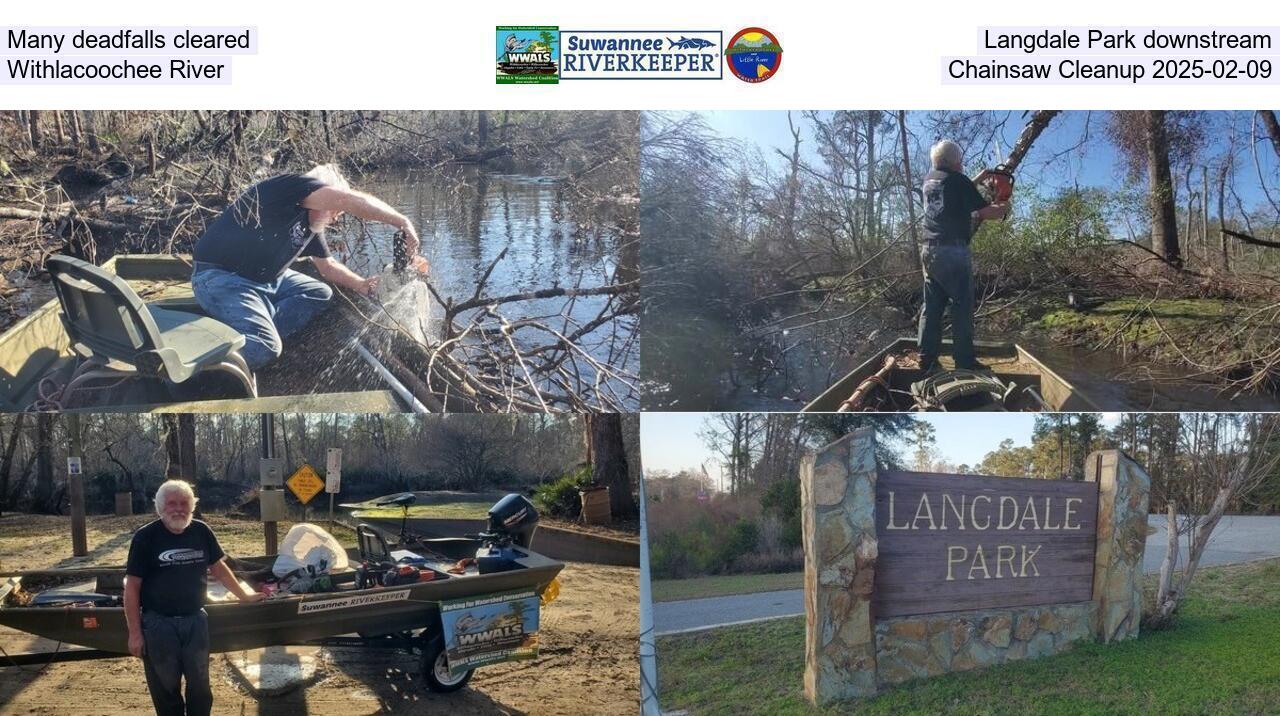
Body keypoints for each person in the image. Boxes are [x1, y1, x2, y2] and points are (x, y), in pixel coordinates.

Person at [191, 163, 424, 370]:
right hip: (221, 278)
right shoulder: (287, 189)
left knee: (319, 292)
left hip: (265, 280)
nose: (336, 218)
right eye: (335, 211)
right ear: (323, 195)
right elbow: (347, 199)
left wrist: (363, 285)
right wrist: (402, 222)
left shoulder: (311, 225)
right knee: (266, 347)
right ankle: (193, 366)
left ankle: (250, 329)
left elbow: (328, 267)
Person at [124, 480, 264, 716]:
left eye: (184, 503)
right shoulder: (145, 537)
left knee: (200, 686)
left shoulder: (201, 531)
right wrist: (135, 633)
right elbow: (131, 587)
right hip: (159, 625)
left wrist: (244, 596)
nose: (178, 509)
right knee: (166, 687)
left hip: (195, 621)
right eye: (172, 503)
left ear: (191, 506)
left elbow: (219, 569)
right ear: (160, 507)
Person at [917, 140, 1010, 372]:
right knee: (962, 306)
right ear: (955, 161)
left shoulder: (929, 180)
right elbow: (988, 212)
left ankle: (926, 359)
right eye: (960, 160)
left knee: (932, 306)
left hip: (929, 250)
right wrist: (1004, 206)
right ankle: (964, 362)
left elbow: (952, 192)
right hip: (953, 252)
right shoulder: (959, 181)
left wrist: (977, 179)